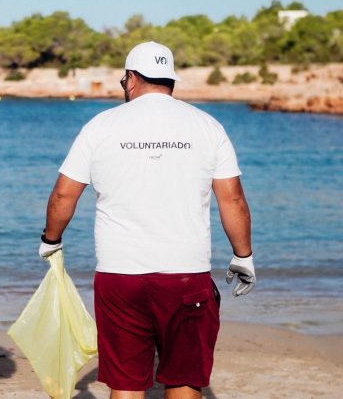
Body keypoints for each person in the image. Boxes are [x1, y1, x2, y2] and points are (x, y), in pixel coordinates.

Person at [39, 41, 255, 399]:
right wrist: (242, 255)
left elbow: (64, 194)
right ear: (171, 79)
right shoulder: (207, 126)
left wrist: (51, 240)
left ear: (131, 78)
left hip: (119, 276)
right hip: (186, 275)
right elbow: (232, 198)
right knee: (184, 379)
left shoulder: (100, 126)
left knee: (126, 382)